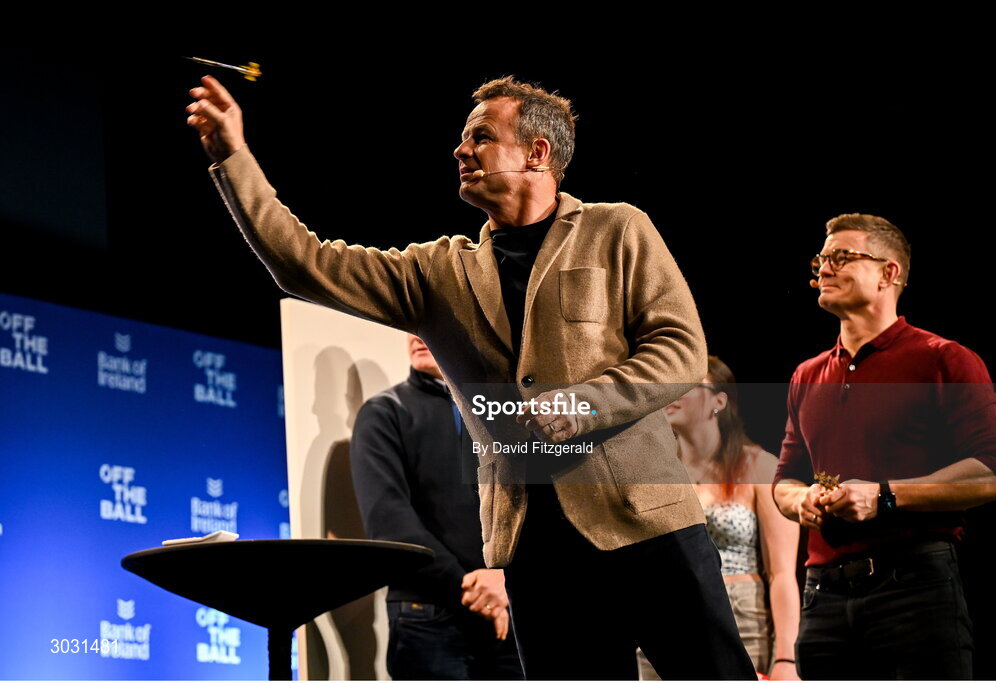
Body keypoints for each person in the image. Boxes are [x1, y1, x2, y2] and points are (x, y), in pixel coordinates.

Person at [187, 74, 754, 680]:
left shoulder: (618, 230)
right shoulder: (439, 272)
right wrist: (232, 157)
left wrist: (587, 404)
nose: (461, 151)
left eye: (481, 138)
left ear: (537, 153)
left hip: (647, 527)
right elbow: (306, 264)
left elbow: (680, 349)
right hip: (535, 550)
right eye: (464, 140)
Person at [772, 213, 996, 679]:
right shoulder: (806, 375)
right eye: (821, 259)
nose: (824, 269)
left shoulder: (942, 358)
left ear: (890, 273)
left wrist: (884, 494)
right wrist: (801, 498)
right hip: (822, 595)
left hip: (914, 592)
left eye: (842, 257)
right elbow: (785, 479)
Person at [349, 334, 523, 680]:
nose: (418, 334)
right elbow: (388, 523)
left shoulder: (505, 411)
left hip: (511, 612)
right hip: (427, 617)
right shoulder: (385, 412)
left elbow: (532, 507)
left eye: (431, 322)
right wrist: (473, 588)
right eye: (411, 324)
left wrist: (505, 581)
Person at [638, 356, 800, 680]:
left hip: (741, 621)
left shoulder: (758, 467)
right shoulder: (654, 474)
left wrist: (786, 659)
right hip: (666, 620)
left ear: (719, 400)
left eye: (685, 386)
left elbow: (782, 573)